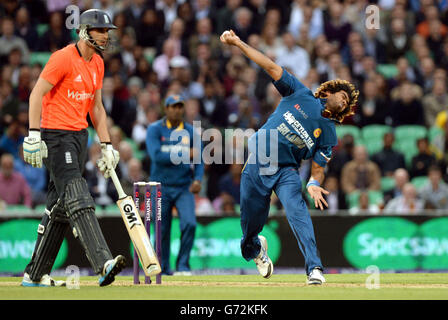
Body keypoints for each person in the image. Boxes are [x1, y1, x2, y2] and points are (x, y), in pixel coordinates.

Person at [220, 30, 359, 285]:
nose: (343, 99)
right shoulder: (300, 93)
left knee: (298, 212)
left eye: (347, 102)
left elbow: (318, 167)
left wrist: (315, 183)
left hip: (286, 172)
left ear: (344, 111)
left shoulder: (328, 133)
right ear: (330, 91)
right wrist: (238, 42)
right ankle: (255, 248)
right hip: (259, 159)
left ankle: (314, 269)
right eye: (342, 94)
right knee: (249, 226)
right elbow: (271, 66)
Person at [21, 9, 125, 287]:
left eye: (107, 31)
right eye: (101, 30)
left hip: (80, 137)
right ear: (84, 31)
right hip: (56, 135)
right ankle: (102, 262)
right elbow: (36, 94)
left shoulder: (98, 64)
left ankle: (34, 274)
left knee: (59, 207)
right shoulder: (62, 58)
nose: (105, 36)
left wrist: (106, 145)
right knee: (77, 194)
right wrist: (33, 134)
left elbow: (97, 108)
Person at [146, 94, 204, 276]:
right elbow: (157, 157)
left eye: (180, 106)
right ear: (166, 108)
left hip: (183, 186)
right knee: (161, 229)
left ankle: (183, 265)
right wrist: (186, 153)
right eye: (173, 106)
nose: (177, 110)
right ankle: (162, 267)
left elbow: (200, 158)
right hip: (160, 186)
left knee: (190, 224)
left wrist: (198, 179)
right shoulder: (155, 130)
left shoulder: (190, 131)